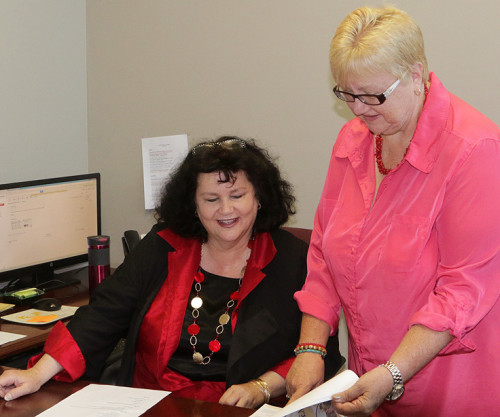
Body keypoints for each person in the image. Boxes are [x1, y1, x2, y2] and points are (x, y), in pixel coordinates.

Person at [0, 136, 342, 408]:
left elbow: (317, 351)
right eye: (211, 199)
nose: (226, 210)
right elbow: (103, 314)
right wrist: (37, 374)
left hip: (239, 408)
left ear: (260, 198)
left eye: (237, 195)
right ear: (193, 204)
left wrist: (262, 387)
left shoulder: (293, 258)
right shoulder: (163, 245)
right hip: (151, 403)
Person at [286, 6, 500, 417]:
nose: (359, 109)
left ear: (416, 75)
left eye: (372, 95)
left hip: (454, 387)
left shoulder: (474, 149)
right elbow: (324, 254)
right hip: (372, 382)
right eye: (346, 94)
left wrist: (392, 374)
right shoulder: (353, 140)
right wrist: (311, 347)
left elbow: (461, 291)